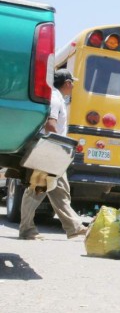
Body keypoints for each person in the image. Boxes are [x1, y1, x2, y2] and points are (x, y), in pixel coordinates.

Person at [19, 69, 87, 240]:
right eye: (73, 83)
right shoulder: (55, 98)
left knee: (60, 189)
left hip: (54, 149)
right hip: (51, 149)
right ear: (67, 83)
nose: (73, 87)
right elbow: (51, 125)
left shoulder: (57, 97)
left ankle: (74, 227)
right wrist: (61, 147)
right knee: (38, 188)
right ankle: (26, 229)